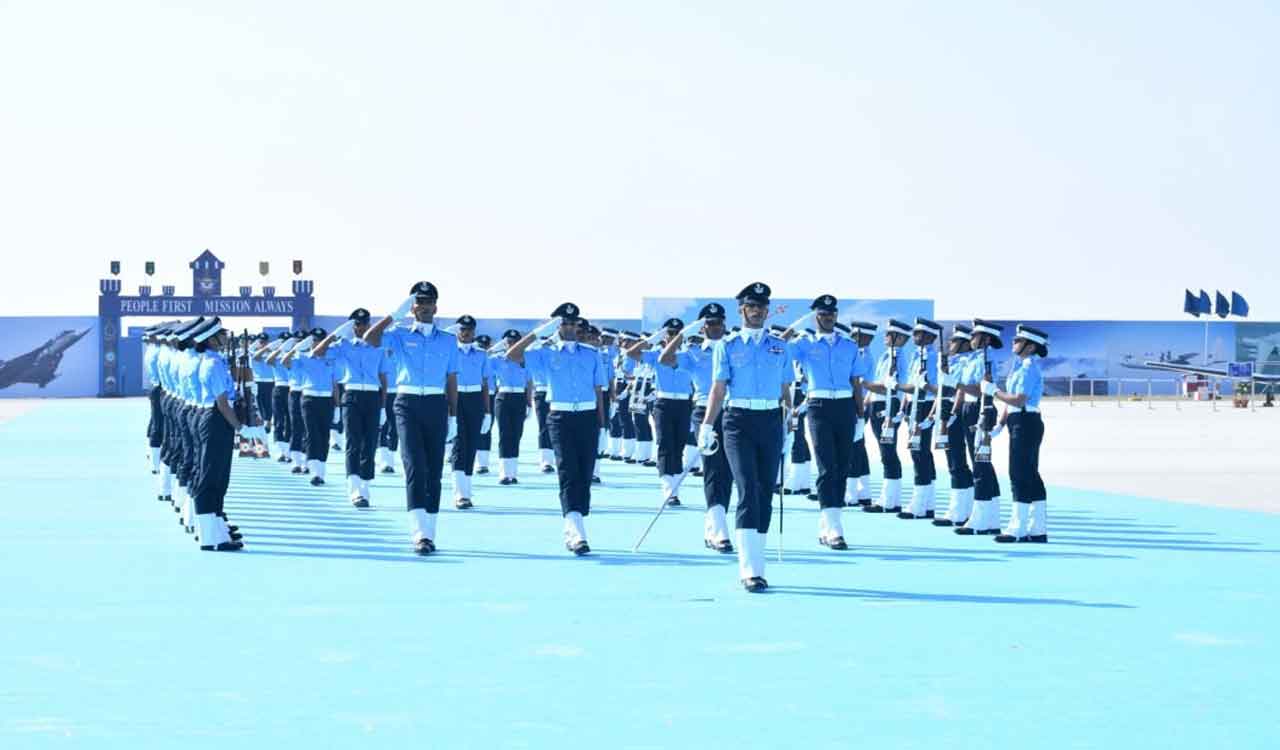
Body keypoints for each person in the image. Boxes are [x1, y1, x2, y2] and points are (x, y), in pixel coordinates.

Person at [697, 283, 793, 592]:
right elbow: (718, 389)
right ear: (742, 310)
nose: (757, 311)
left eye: (762, 307)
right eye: (752, 306)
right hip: (737, 421)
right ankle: (749, 569)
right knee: (748, 488)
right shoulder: (727, 345)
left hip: (771, 420)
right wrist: (707, 425)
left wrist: (789, 424)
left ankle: (758, 563)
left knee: (765, 491)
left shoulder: (780, 346)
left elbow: (785, 389)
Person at [364, 282, 459, 555]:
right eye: (419, 302)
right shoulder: (399, 334)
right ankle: (419, 534)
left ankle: (430, 531)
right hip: (407, 404)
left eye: (429, 302)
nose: (424, 306)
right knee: (415, 465)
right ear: (412, 307)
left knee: (434, 469)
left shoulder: (448, 340)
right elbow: (370, 338)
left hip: (436, 404)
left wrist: (453, 414)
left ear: (436, 307)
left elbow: (451, 378)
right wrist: (395, 314)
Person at [506, 303, 608, 556]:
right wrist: (538, 332)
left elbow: (598, 390)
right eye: (565, 323)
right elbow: (512, 355)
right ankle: (576, 531)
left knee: (585, 473)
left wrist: (602, 425)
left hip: (587, 416)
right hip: (560, 417)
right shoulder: (544, 351)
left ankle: (575, 521)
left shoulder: (591, 353)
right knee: (568, 471)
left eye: (574, 323)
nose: (570, 328)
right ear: (556, 326)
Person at [781, 294, 860, 549]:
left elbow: (856, 381)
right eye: (823, 314)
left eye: (831, 314)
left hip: (845, 406)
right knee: (827, 466)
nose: (828, 318)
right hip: (818, 406)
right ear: (815, 317)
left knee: (843, 465)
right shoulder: (804, 343)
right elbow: (777, 348)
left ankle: (829, 522)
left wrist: (860, 415)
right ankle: (834, 527)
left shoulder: (849, 345)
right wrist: (795, 326)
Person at [662, 303, 735, 552]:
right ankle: (719, 528)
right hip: (704, 411)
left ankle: (713, 522)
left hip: (732, 411)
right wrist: (683, 334)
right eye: (710, 323)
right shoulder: (693, 353)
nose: (715, 327)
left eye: (719, 322)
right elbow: (665, 359)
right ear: (702, 327)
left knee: (729, 471)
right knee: (713, 468)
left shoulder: (733, 347)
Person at [313, 308, 387, 508]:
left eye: (365, 324)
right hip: (352, 395)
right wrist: (336, 333)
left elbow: (383, 377)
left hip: (372, 396)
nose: (361, 328)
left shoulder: (378, 347)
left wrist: (383, 407)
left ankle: (365, 487)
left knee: (370, 443)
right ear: (352, 327)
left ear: (369, 325)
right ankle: (355, 490)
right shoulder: (343, 345)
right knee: (353, 442)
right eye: (357, 324)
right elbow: (317, 352)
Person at [986, 324, 1049, 543]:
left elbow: (1019, 400)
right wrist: (1000, 424)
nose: (1013, 343)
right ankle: (1037, 529)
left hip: (1026, 421)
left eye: (1018, 340)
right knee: (1029, 473)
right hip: (1019, 421)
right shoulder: (1019, 366)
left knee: (1019, 474)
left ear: (1030, 347)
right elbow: (1010, 402)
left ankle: (1018, 528)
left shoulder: (1029, 368)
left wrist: (993, 391)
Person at [627, 318, 696, 506]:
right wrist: (652, 339)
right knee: (665, 443)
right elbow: (631, 353)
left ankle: (675, 487)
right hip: (663, 403)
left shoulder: (689, 354)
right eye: (670, 333)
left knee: (679, 445)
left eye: (677, 333)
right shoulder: (656, 353)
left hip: (684, 403)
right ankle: (668, 489)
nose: (673, 336)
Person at [190, 317, 245, 551]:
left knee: (219, 478)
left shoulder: (214, 361)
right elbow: (222, 403)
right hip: (216, 419)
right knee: (210, 477)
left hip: (217, 419)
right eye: (221, 335)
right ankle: (209, 538)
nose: (225, 338)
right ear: (211, 340)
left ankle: (217, 533)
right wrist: (239, 426)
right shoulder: (212, 364)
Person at [954, 319, 1005, 535]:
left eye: (975, 336)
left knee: (980, 465)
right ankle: (991, 517)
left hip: (980, 410)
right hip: (970, 408)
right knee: (981, 462)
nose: (971, 339)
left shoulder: (987, 360)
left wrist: (955, 384)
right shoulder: (974, 358)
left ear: (985, 339)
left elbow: (980, 390)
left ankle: (981, 518)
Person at [863, 319, 912, 513]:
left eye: (889, 334)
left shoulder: (897, 359)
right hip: (877, 405)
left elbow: (887, 388)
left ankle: (890, 500)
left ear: (899, 338)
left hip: (888, 406)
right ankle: (890, 498)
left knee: (888, 452)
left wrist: (863, 383)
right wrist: (867, 399)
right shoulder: (886, 356)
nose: (885, 336)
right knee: (885, 452)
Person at [898, 318, 941, 520]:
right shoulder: (916, 355)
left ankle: (919, 504)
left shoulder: (932, 358)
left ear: (930, 337)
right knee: (920, 452)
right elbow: (912, 386)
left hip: (924, 405)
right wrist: (903, 408)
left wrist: (895, 386)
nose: (914, 336)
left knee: (919, 453)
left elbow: (933, 389)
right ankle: (928, 503)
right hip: (914, 405)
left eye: (919, 333)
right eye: (915, 332)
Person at [448, 315, 492, 509]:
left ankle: (466, 489)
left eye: (470, 330)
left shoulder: (481, 354)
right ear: (457, 331)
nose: (466, 333)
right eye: (463, 330)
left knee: (471, 443)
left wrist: (487, 412)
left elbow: (485, 383)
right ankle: (460, 493)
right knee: (459, 444)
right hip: (456, 397)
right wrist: (449, 409)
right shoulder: (450, 351)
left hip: (475, 399)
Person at [934, 324, 976, 527]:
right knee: (954, 461)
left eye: (954, 341)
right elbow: (943, 389)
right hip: (947, 411)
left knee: (958, 462)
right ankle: (960, 508)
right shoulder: (952, 361)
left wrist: (951, 414)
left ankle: (961, 510)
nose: (950, 343)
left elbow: (958, 390)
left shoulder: (965, 362)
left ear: (964, 344)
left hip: (956, 412)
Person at [284, 328, 336, 486]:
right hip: (309, 399)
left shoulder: (331, 358)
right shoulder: (303, 357)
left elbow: (335, 383)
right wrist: (296, 347)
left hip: (327, 400)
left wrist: (338, 406)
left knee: (324, 435)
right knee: (312, 434)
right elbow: (285, 362)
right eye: (314, 340)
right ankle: (314, 471)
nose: (318, 343)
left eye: (321, 340)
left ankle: (321, 470)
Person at [490, 329, 531, 484]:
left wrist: (529, 403)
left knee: (516, 434)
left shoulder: (525, 359)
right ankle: (504, 473)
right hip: (503, 397)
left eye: (515, 342)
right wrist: (494, 348)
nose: (512, 344)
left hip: (520, 397)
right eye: (509, 342)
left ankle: (513, 473)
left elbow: (529, 382)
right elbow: (483, 359)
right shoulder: (497, 359)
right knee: (504, 433)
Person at [844, 321, 877, 507]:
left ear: (866, 338)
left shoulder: (862, 356)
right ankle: (864, 492)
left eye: (855, 335)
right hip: (857, 403)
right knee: (858, 448)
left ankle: (851, 493)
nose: (852, 338)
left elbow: (856, 381)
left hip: (857, 404)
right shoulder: (859, 354)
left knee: (852, 448)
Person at [473, 333, 495, 474]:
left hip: (490, 396)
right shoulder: (472, 356)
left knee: (486, 429)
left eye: (486, 346)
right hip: (473, 395)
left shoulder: (494, 359)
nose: (484, 348)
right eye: (481, 345)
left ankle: (482, 463)